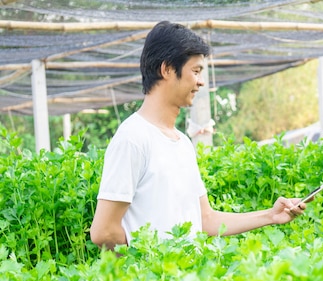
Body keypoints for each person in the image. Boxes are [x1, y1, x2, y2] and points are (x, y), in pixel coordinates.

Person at [90, 21, 306, 250]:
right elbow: (103, 231)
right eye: (195, 71)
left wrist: (271, 216)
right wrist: (152, 256)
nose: (201, 81)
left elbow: (205, 219)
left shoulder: (182, 143)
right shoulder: (133, 138)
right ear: (167, 70)